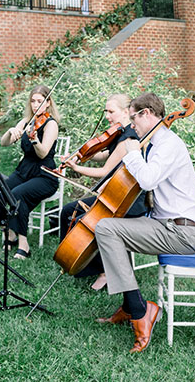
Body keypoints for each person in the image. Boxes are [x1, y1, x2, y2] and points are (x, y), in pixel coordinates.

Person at [94, 92, 195, 353]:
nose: (131, 126)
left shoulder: (168, 145)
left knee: (106, 228)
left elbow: (148, 180)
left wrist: (132, 153)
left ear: (146, 114)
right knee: (117, 224)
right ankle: (130, 306)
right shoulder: (157, 142)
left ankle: (141, 310)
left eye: (133, 118)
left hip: (181, 232)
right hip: (167, 224)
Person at [59, 94, 146, 290]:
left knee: (83, 218)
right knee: (67, 211)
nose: (107, 115)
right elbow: (106, 155)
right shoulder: (121, 132)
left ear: (126, 112)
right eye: (106, 111)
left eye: (111, 111)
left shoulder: (129, 138)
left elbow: (105, 171)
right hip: (112, 195)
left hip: (126, 201)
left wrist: (77, 168)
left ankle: (104, 270)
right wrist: (84, 155)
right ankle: (76, 262)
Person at [0, 84, 60, 259]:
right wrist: (10, 131)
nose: (36, 105)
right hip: (24, 171)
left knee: (18, 194)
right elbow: (4, 143)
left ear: (48, 103)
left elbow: (43, 153)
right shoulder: (27, 121)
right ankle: (8, 232)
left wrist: (35, 139)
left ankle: (24, 244)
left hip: (45, 174)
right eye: (33, 101)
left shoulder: (51, 125)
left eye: (40, 101)